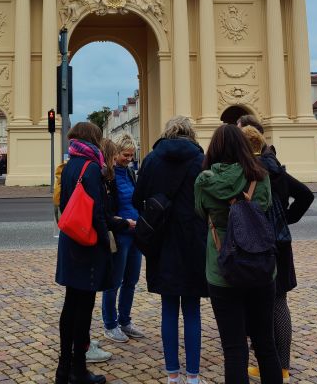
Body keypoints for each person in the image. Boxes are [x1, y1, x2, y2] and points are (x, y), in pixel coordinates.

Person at [195, 124, 282, 384]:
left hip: (223, 269)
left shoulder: (204, 180)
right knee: (266, 344)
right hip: (260, 266)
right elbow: (264, 206)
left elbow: (200, 213)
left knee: (233, 349)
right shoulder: (260, 174)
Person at [133, 116, 208, 384]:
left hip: (161, 240)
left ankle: (172, 375)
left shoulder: (152, 159)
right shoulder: (201, 160)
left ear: (168, 132)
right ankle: (194, 377)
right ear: (191, 134)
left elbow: (136, 197)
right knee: (192, 310)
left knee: (168, 309)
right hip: (193, 241)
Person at [241, 126, 313, 384]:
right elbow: (306, 194)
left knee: (262, 306)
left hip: (259, 244)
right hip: (280, 244)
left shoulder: (251, 171)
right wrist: (287, 219)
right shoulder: (276, 168)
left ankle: (270, 366)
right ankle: (280, 367)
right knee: (278, 303)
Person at [55, 122, 111, 384]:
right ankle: (78, 370)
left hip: (69, 241)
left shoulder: (68, 166)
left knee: (70, 305)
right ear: (94, 138)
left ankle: (63, 369)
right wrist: (105, 240)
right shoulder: (91, 168)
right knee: (83, 309)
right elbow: (97, 213)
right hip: (87, 243)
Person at [101, 134, 144, 344]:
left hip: (135, 234)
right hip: (120, 235)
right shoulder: (107, 176)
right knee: (114, 282)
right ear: (116, 153)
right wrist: (124, 222)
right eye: (125, 155)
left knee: (131, 281)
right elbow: (106, 212)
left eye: (131, 155)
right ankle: (110, 324)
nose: (129, 159)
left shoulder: (129, 173)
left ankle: (125, 320)